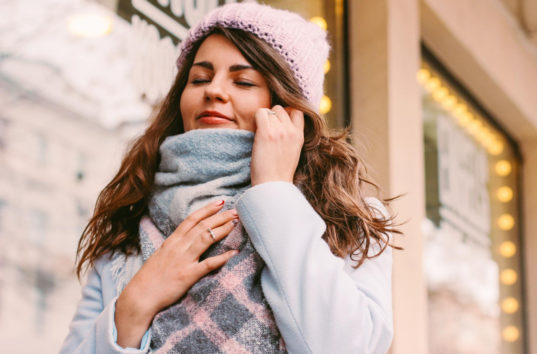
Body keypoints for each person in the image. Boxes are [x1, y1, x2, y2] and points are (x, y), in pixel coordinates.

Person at [60, 2, 399, 353]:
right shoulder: (129, 230)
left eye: (243, 80)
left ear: (286, 107)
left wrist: (274, 193)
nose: (214, 90)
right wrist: (138, 301)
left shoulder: (349, 222)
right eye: (200, 78)